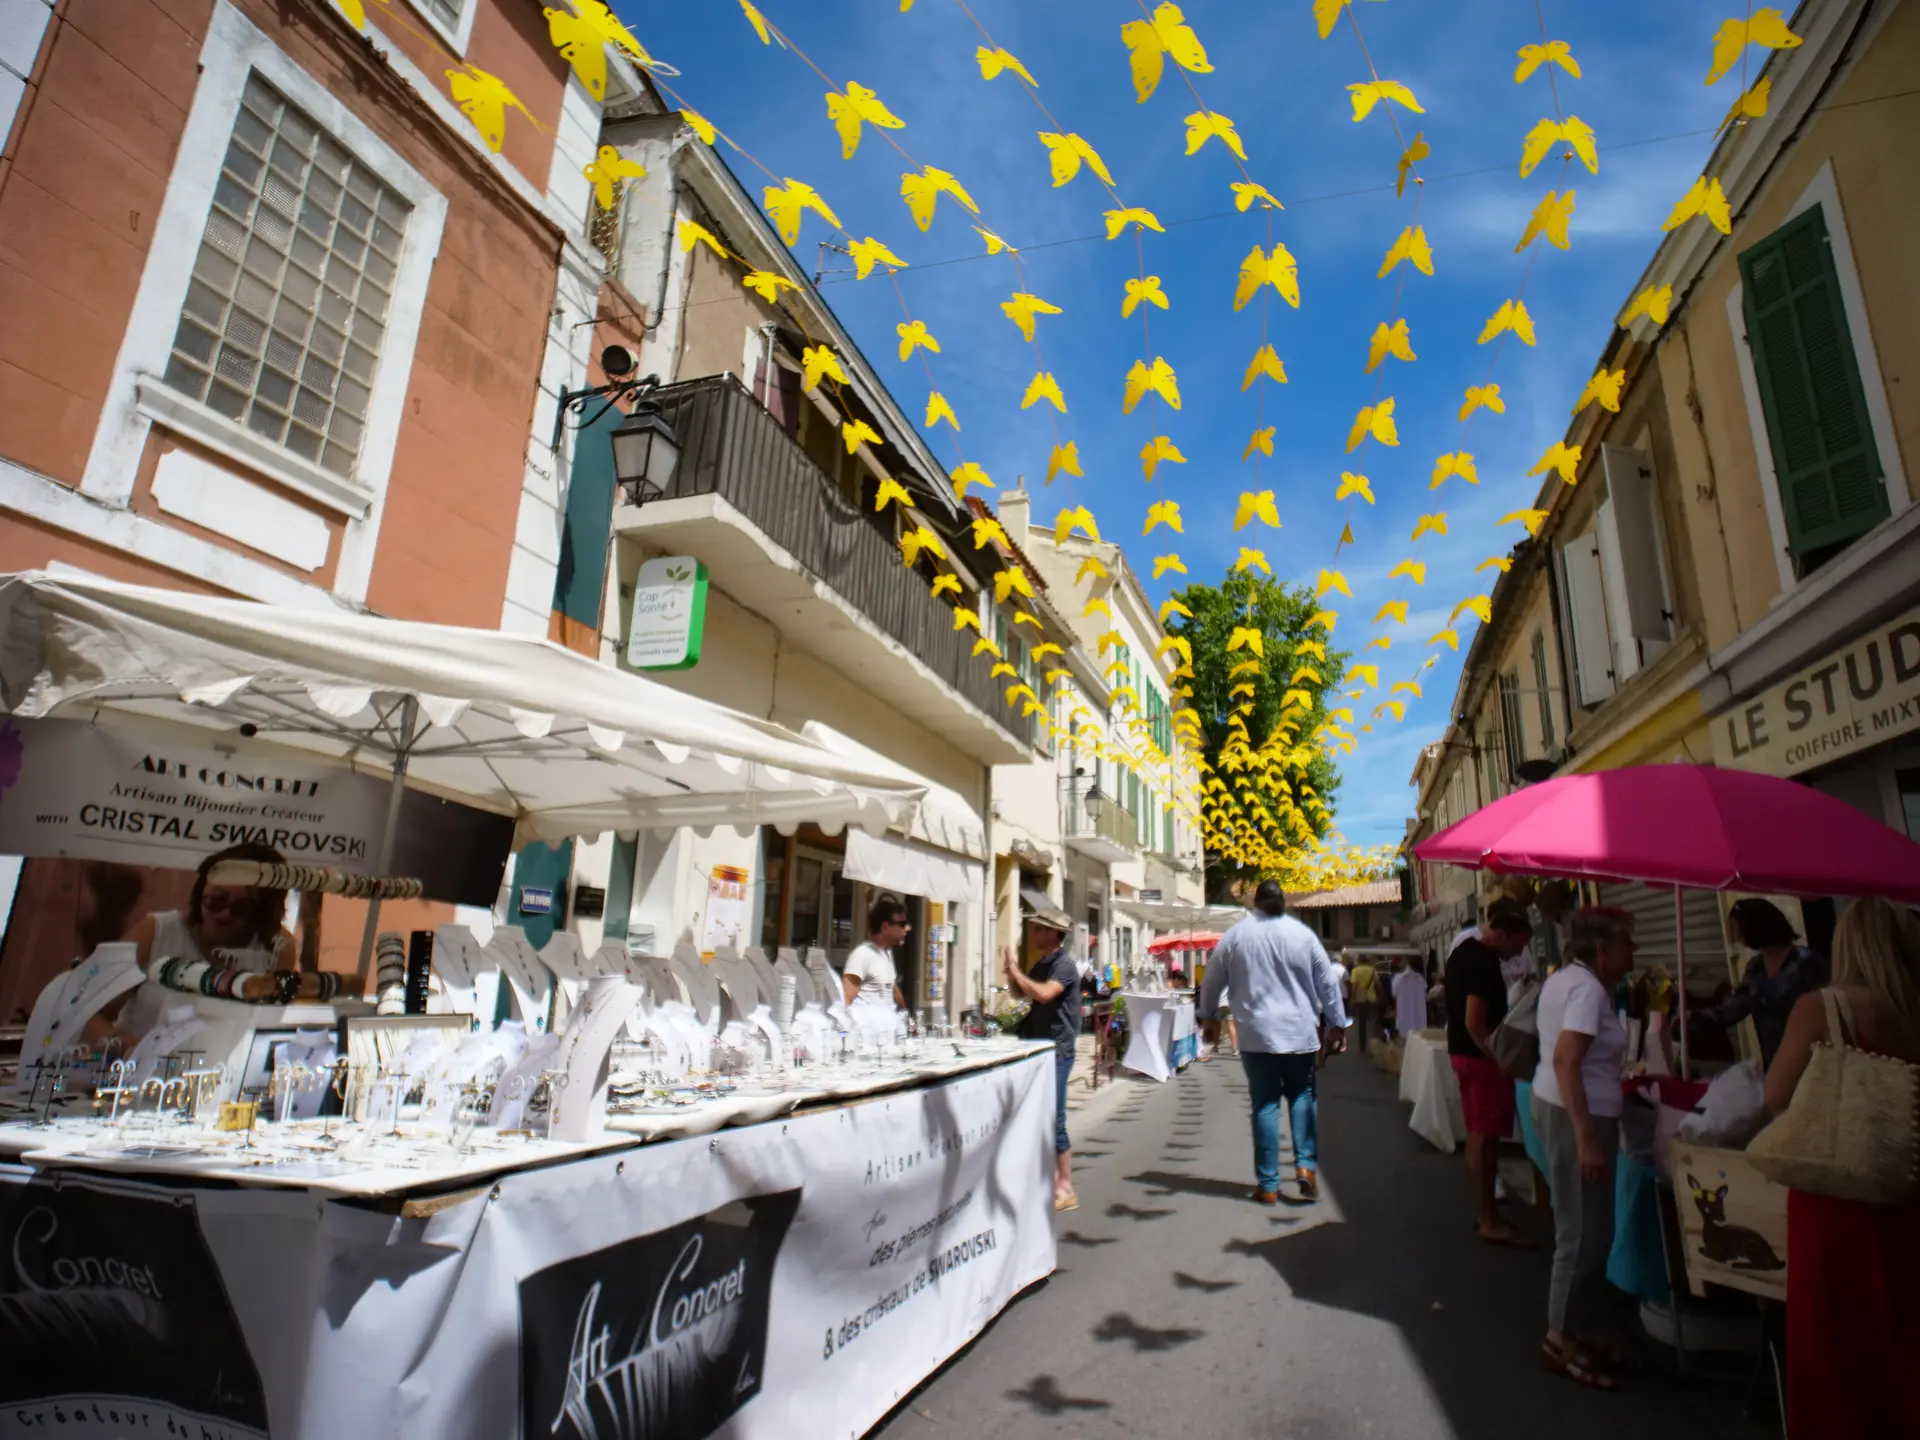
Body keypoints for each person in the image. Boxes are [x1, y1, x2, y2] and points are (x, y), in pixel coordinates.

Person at [1763, 897, 1920, 1439]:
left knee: (1837, 1349)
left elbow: (1776, 1094)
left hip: (1833, 1201)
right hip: (1906, 1191)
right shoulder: (1913, 1013)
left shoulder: (1822, 1009)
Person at [1532, 908, 1637, 1390]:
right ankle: (1561, 1338)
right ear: (1602, 950)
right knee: (1583, 1233)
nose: (1634, 952)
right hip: (1577, 1115)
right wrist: (1587, 1137)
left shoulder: (1567, 980)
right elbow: (1566, 1059)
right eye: (1627, 944)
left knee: (1590, 1230)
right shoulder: (1589, 990)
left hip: (1563, 1107)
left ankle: (1584, 1326)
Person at [1199, 880, 1349, 1204]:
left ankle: (1268, 1185)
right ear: (1283, 903)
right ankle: (1306, 1167)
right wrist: (1337, 1024)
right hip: (1299, 1033)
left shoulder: (1235, 936)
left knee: (1265, 1105)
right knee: (1302, 1096)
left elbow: (1211, 980)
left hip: (1256, 1035)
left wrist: (1207, 1015)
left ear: (1256, 903)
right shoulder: (1304, 935)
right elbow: (1327, 983)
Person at [112, 843, 328, 1038]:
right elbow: (95, 1010)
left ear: (263, 913)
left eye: (242, 908)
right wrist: (129, 1049)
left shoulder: (277, 948)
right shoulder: (156, 932)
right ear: (200, 893)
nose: (224, 915)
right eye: (216, 900)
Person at [1446, 896, 1535, 1245]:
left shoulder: (1462, 952)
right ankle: (1488, 1218)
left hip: (1463, 1055)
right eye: (1517, 945)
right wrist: (1500, 1057)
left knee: (1476, 1135)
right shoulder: (1483, 962)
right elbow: (1474, 1021)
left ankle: (1486, 1212)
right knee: (1485, 1138)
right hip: (1481, 1061)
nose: (1518, 953)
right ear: (1499, 934)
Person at [1005, 907, 1081, 1212]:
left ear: (1052, 933)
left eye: (1038, 929)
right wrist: (1012, 972)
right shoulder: (1043, 963)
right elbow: (1021, 993)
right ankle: (1048, 1181)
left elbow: (1045, 994)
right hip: (1040, 1046)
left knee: (1054, 1117)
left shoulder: (1064, 966)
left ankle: (1066, 1187)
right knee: (1040, 1115)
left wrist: (1018, 974)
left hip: (1058, 1048)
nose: (1033, 933)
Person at [1695, 897, 1829, 1069]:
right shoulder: (1755, 969)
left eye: (1739, 930)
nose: (1738, 937)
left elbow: (1828, 1011)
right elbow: (1733, 1009)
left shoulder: (1806, 962)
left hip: (1813, 1063)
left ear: (1757, 926)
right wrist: (1689, 1020)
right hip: (1775, 1064)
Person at [843, 896, 909, 1012]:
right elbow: (846, 1000)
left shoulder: (887, 953)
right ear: (885, 927)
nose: (907, 928)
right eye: (902, 924)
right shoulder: (862, 955)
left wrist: (906, 1011)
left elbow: (892, 987)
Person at [1349, 954, 1381, 1052]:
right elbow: (1378, 985)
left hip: (1360, 999)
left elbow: (1355, 986)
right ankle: (1375, 1044)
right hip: (1372, 998)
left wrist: (1352, 998)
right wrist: (1380, 996)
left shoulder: (1356, 971)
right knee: (1373, 1022)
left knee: (1362, 1024)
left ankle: (1362, 1046)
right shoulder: (1373, 970)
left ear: (1358, 961)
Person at [1391, 955, 1428, 1036]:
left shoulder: (1398, 979)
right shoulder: (1421, 979)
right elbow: (1425, 995)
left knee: (1405, 1037)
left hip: (1404, 1016)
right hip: (1419, 1019)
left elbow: (1394, 995)